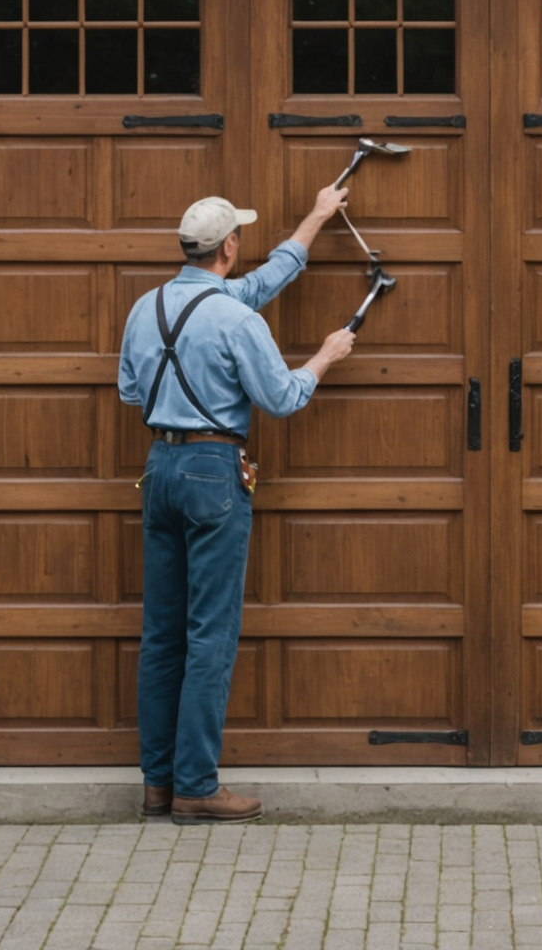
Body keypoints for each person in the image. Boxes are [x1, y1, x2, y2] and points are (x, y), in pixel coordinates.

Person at [116, 185, 356, 825]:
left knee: (162, 635)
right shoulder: (238, 320)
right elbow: (282, 398)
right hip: (214, 471)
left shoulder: (147, 307)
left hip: (159, 468)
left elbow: (128, 389)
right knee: (209, 635)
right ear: (229, 246)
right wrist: (325, 358)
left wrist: (317, 216)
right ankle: (198, 786)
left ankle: (158, 786)